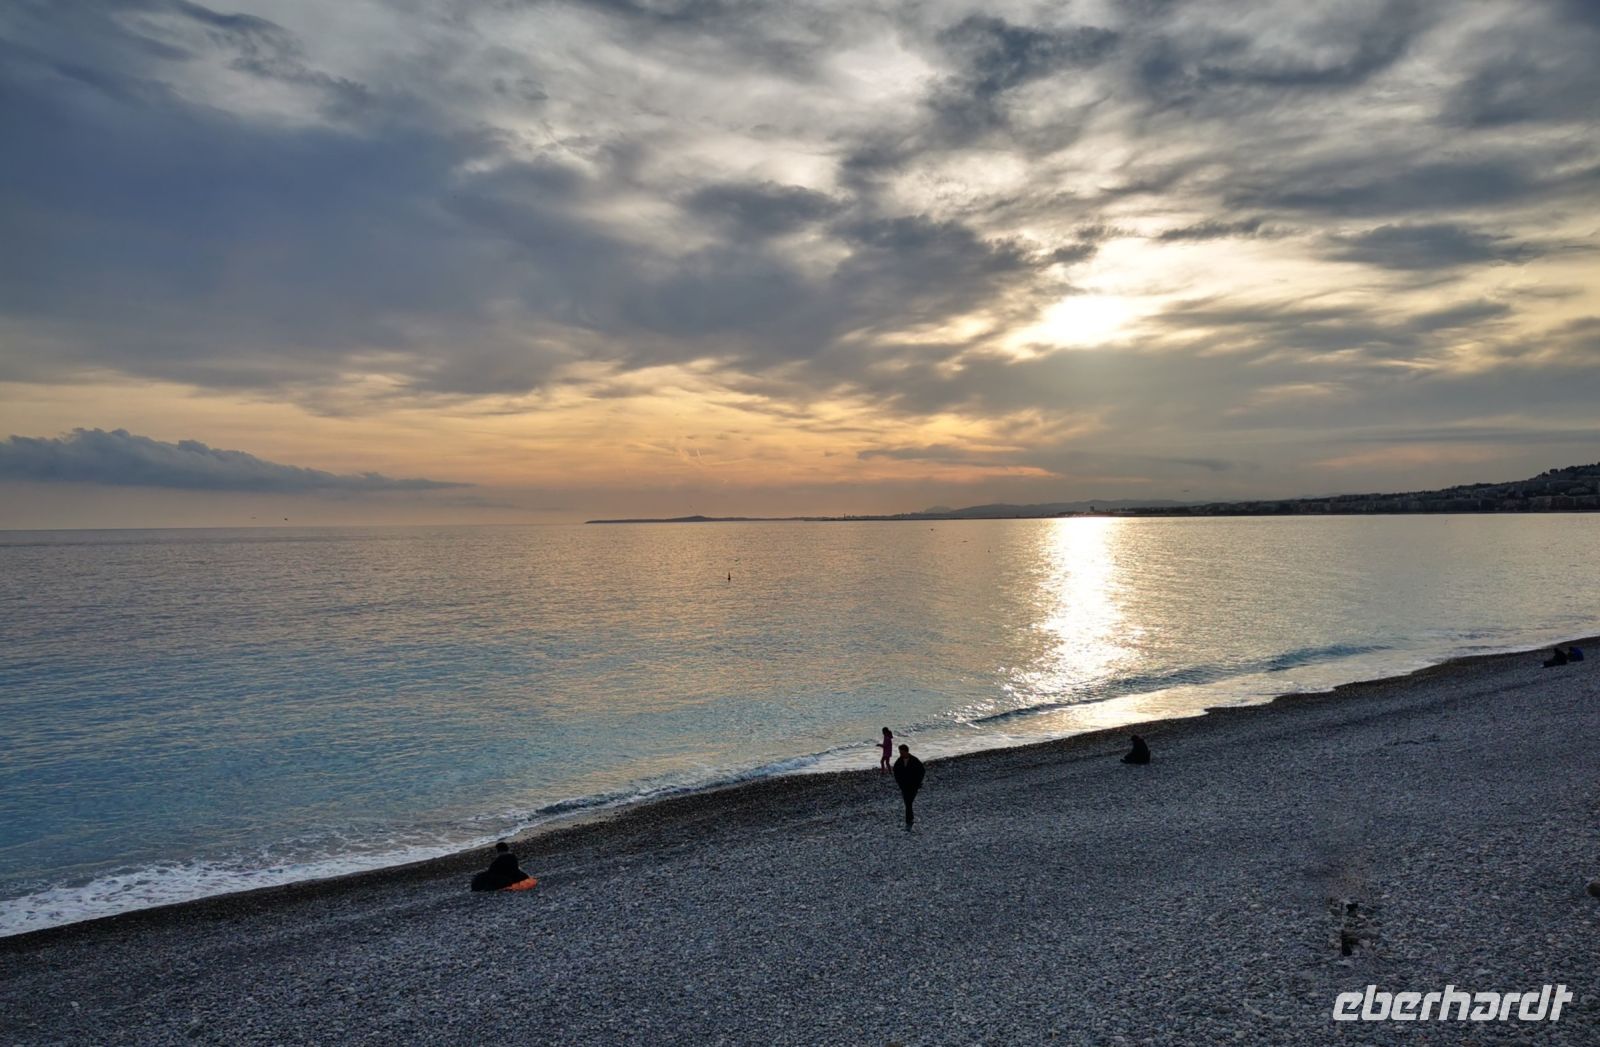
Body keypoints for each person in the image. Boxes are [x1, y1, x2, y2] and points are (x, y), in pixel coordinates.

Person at [892, 744, 925, 830]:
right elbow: (895, 772)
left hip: (914, 785)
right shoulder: (899, 761)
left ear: (906, 751)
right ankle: (909, 820)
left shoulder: (914, 760)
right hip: (904, 785)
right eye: (900, 752)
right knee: (908, 802)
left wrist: (918, 782)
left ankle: (909, 819)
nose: (900, 754)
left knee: (909, 802)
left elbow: (922, 771)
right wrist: (899, 782)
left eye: (902, 752)